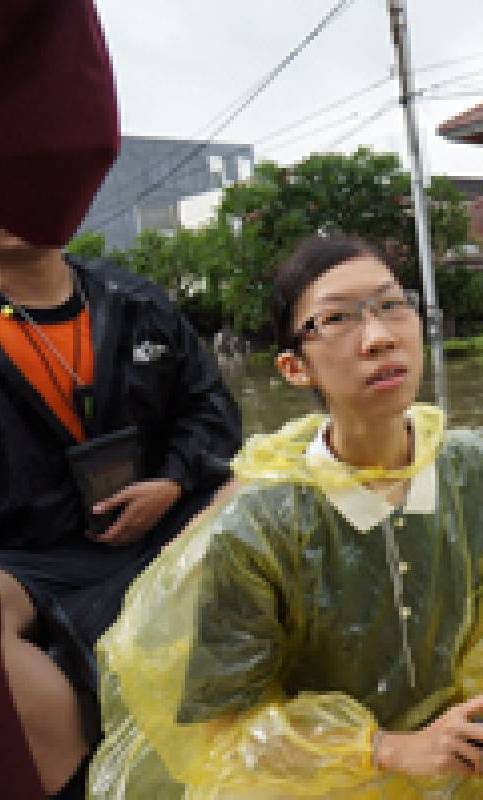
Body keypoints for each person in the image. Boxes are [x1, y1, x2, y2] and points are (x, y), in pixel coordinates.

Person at [90, 235, 483, 798]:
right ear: (296, 368)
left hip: (473, 772)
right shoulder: (262, 529)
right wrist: (387, 750)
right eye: (338, 319)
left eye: (392, 305)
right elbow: (223, 736)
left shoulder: (474, 473)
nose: (379, 337)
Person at [0, 3, 243, 797]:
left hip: (161, 518)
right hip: (35, 557)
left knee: (270, 493)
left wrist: (175, 480)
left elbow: (213, 415)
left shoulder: (136, 304)